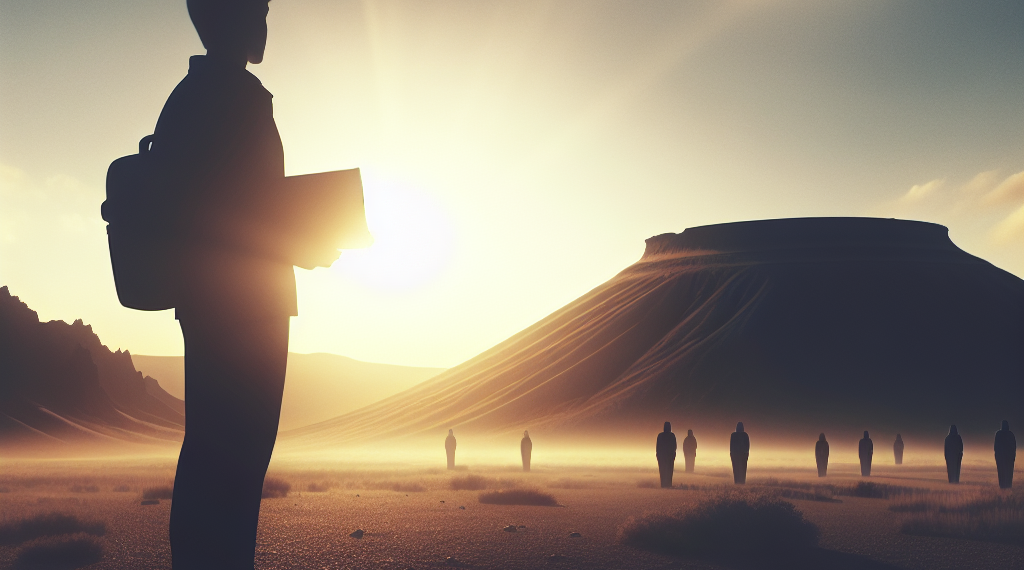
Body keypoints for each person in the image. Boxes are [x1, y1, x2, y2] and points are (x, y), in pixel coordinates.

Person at [160, 2, 338, 568]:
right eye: (256, 10)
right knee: (232, 454)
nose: (265, 21)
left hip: (226, 302)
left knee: (223, 451)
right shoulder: (228, 99)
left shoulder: (204, 96)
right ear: (225, 18)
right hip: (242, 307)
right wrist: (304, 243)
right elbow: (233, 220)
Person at [995, 420, 1016, 489]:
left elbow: (996, 447)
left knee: (1002, 471)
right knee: (1008, 471)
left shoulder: (999, 434)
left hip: (1002, 457)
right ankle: (1007, 485)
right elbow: (1013, 446)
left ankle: (1003, 485)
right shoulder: (1010, 434)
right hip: (1007, 457)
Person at [656, 422, 677, 488]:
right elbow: (674, 446)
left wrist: (658, 454)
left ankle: (663, 484)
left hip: (662, 456)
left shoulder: (660, 435)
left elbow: (657, 446)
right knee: (669, 471)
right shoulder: (672, 435)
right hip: (669, 456)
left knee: (663, 470)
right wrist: (673, 453)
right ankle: (668, 484)